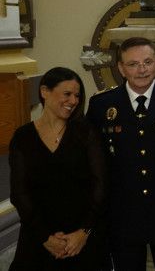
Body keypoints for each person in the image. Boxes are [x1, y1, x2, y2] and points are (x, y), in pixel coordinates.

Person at [86, 37, 155, 270]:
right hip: (123, 215)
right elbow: (95, 164)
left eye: (147, 62)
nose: (141, 70)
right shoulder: (101, 105)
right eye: (133, 64)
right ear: (121, 69)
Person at [9, 67, 107, 271]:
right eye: (67, 94)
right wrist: (45, 238)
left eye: (77, 95)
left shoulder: (86, 133)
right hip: (37, 238)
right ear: (44, 91)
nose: (73, 101)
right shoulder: (23, 136)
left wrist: (84, 232)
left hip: (81, 239)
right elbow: (19, 193)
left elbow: (101, 185)